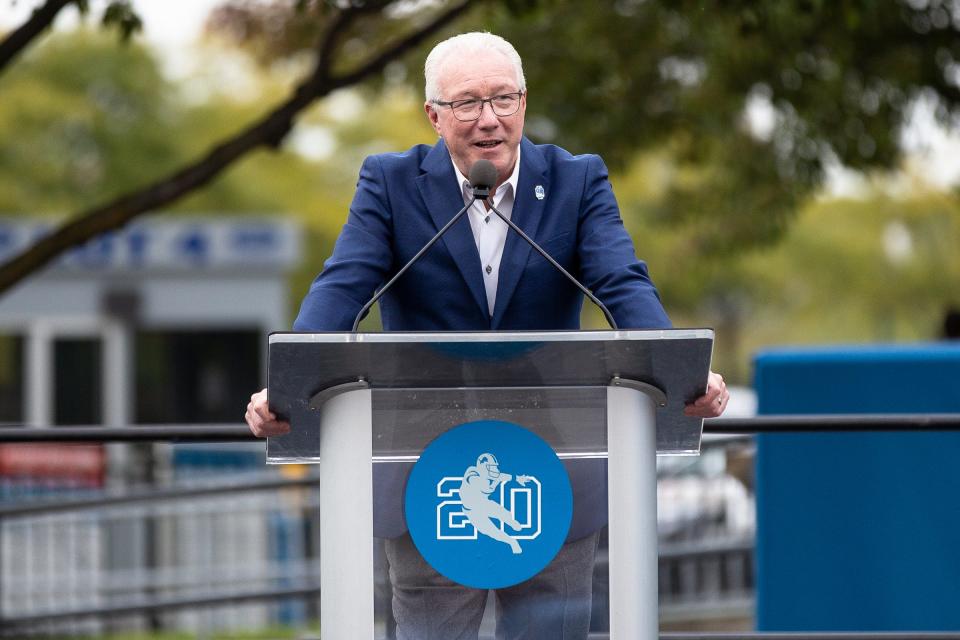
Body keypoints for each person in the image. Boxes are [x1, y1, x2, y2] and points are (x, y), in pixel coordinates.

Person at [246, 31, 728, 640]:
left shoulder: (576, 181)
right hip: (426, 467)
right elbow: (343, 289)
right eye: (467, 104)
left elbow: (622, 284)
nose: (488, 121)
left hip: (554, 462)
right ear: (434, 116)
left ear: (524, 103)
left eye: (503, 100)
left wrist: (682, 375)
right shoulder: (390, 184)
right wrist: (286, 390)